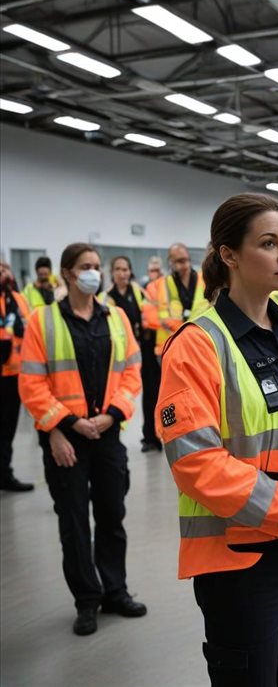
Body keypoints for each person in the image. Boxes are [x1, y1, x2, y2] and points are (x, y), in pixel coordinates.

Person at [156, 193, 278, 687]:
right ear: (228, 254)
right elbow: (197, 462)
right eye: (269, 244)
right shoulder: (197, 345)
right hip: (243, 566)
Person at [18, 242, 146, 636]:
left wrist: (112, 414)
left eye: (97, 266)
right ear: (68, 274)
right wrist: (63, 426)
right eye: (85, 266)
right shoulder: (43, 321)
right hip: (65, 438)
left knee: (112, 515)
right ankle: (87, 600)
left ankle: (115, 590)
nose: (94, 272)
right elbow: (32, 383)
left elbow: (132, 371)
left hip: (106, 434)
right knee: (73, 521)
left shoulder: (117, 317)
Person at [104, 256, 161, 452]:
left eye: (125, 269)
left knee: (152, 394)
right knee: (117, 393)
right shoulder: (107, 297)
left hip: (143, 349)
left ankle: (151, 436)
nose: (122, 273)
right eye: (118, 269)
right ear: (112, 272)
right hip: (119, 355)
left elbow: (150, 315)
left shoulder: (137, 292)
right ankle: (112, 433)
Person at [0, 261, 34, 491]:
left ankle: (5, 473)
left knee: (7, 428)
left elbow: (28, 327)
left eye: (5, 268)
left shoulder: (19, 299)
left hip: (14, 374)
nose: (2, 272)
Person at [148, 243, 209, 357]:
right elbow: (162, 316)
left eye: (186, 260)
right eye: (179, 261)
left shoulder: (202, 279)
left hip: (198, 343)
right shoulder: (163, 284)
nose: (185, 265)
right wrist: (184, 334)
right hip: (171, 344)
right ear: (171, 262)